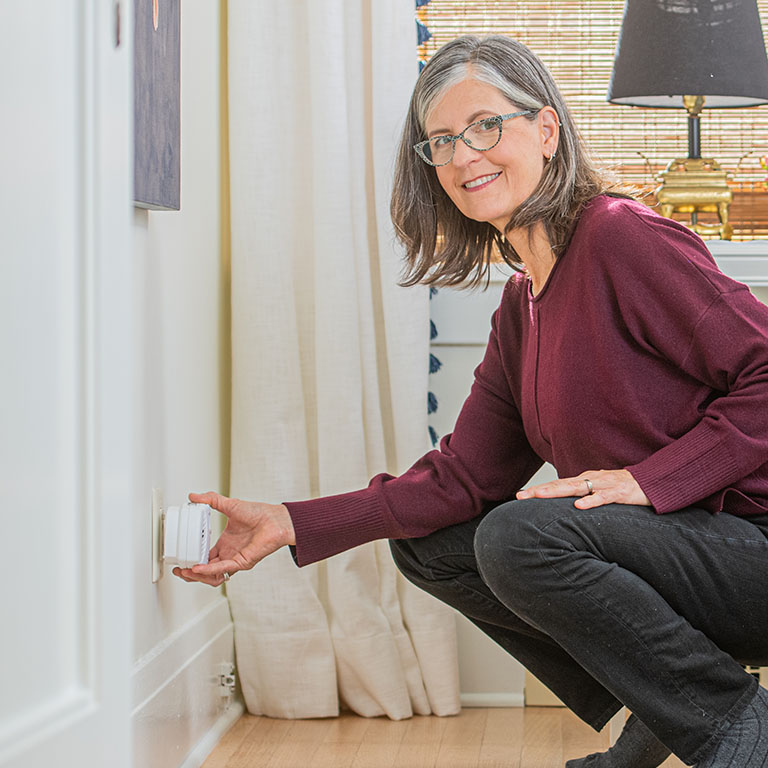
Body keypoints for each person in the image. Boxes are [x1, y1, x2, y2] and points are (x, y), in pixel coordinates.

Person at [174, 35, 768, 767]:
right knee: (433, 543)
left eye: (486, 126)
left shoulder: (623, 238)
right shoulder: (522, 306)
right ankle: (668, 705)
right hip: (684, 558)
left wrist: (650, 481)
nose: (463, 157)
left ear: (546, 131)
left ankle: (732, 723)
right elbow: (463, 479)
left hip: (752, 551)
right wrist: (291, 522)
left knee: (519, 537)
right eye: (442, 141)